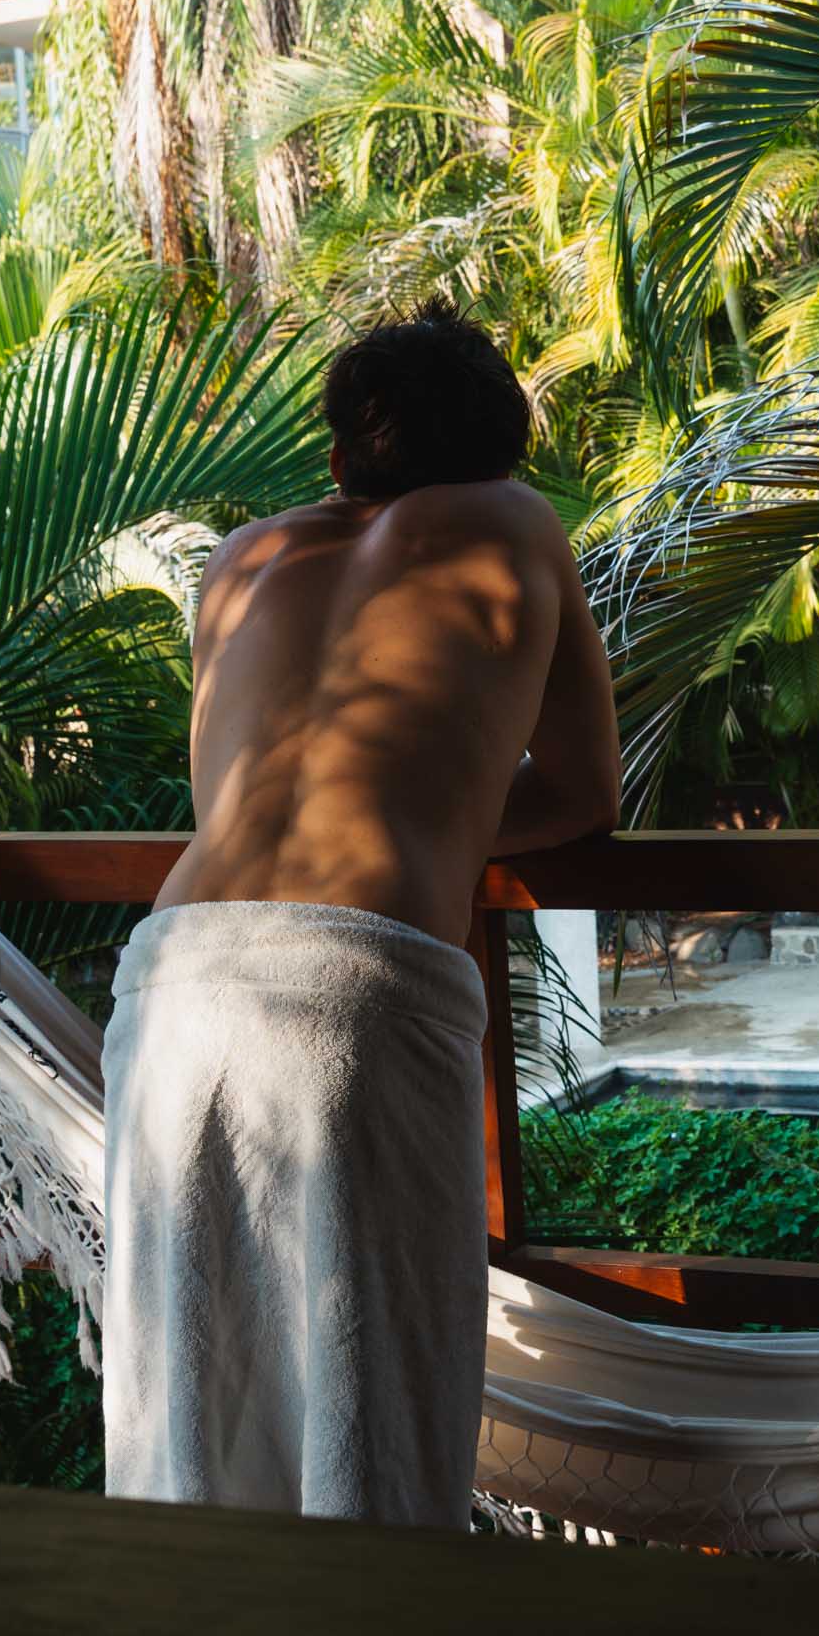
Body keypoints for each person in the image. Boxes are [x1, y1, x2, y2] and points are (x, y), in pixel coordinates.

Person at [100, 298, 619, 1527]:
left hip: (171, 982)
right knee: (376, 1406)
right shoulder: (518, 524)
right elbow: (587, 792)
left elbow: (226, 791)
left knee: (187, 1405)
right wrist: (443, 818)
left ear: (339, 455)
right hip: (357, 991)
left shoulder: (240, 558)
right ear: (499, 451)